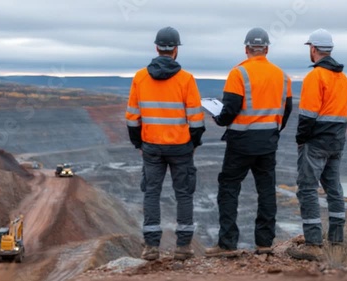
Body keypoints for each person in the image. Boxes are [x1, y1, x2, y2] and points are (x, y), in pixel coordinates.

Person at [205, 27, 292, 257]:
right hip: (267, 143)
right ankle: (264, 244)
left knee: (229, 188)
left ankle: (227, 245)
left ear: (246, 49)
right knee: (266, 190)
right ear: (266, 49)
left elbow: (230, 109)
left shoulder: (238, 73)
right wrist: (273, 129)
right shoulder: (282, 76)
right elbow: (287, 109)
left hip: (241, 142)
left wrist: (219, 118)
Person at [125, 26, 206, 261]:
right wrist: (193, 144)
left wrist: (139, 144)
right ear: (176, 50)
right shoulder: (186, 79)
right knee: (183, 194)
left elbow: (132, 117)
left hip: (151, 145)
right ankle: (183, 247)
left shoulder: (140, 78)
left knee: (151, 193)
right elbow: (197, 120)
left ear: (156, 47)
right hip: (181, 147)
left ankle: (151, 247)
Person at [287, 28, 347, 261]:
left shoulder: (315, 77)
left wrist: (300, 139)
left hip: (316, 143)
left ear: (313, 49)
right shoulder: (343, 79)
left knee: (307, 188)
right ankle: (336, 239)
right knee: (334, 189)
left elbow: (307, 115)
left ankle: (314, 242)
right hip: (336, 142)